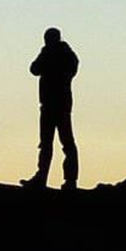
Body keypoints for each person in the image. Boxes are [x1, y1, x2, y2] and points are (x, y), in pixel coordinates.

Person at [25, 27, 79, 189]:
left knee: (65, 142)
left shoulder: (62, 54)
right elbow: (34, 69)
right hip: (50, 104)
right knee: (48, 142)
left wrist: (48, 59)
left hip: (58, 104)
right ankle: (42, 178)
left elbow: (35, 69)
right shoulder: (59, 54)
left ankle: (69, 180)